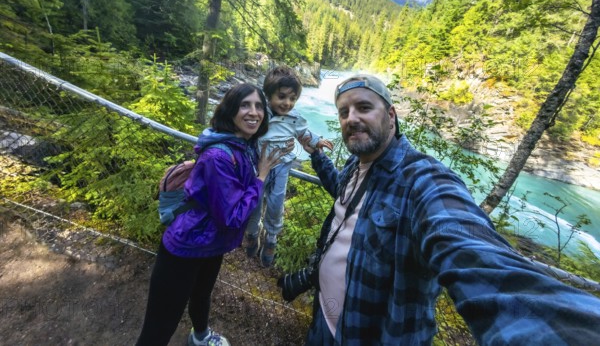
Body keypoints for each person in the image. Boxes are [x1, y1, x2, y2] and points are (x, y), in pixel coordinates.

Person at [297, 74, 600, 345]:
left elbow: (471, 248)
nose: (351, 118)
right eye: (344, 112)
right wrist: (316, 155)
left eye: (363, 108)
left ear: (391, 115)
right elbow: (343, 194)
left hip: (366, 334)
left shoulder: (421, 179)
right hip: (326, 316)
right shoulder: (356, 163)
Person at [136, 83, 290, 346]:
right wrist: (261, 176)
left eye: (259, 106)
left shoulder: (242, 145)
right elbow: (232, 216)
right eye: (245, 105)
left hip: (209, 241)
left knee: (201, 294)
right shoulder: (220, 155)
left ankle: (200, 336)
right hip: (186, 247)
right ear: (230, 110)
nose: (254, 112)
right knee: (158, 328)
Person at [244, 66, 333, 267]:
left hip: (282, 166)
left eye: (292, 98)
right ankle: (252, 233)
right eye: (282, 97)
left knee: (276, 203)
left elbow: (304, 134)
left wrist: (317, 141)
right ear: (268, 95)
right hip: (258, 166)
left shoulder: (295, 118)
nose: (287, 103)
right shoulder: (260, 113)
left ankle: (271, 238)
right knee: (254, 201)